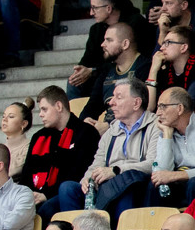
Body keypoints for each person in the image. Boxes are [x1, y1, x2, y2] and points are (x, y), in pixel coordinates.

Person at [59, 78, 157, 216]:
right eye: (112, 97)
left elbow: (154, 164)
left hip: (135, 187)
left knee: (126, 185)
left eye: (118, 97)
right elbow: (97, 163)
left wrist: (116, 170)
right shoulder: (111, 131)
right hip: (107, 187)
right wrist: (87, 179)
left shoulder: (155, 126)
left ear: (136, 103)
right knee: (67, 188)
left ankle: (109, 226)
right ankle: (78, 229)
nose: (111, 102)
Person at [25, 86, 100, 220]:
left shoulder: (86, 133)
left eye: (44, 109)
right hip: (36, 198)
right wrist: (29, 195)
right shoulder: (38, 137)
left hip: (70, 195)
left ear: (59, 106)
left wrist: (46, 195)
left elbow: (78, 174)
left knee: (47, 209)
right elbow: (26, 173)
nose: (40, 114)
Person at [71, 0, 151, 102]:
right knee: (74, 82)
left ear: (108, 8)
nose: (91, 13)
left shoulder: (136, 24)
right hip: (102, 75)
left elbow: (142, 59)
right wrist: (81, 70)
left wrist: (93, 71)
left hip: (131, 75)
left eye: (95, 8)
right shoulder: (96, 29)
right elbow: (87, 60)